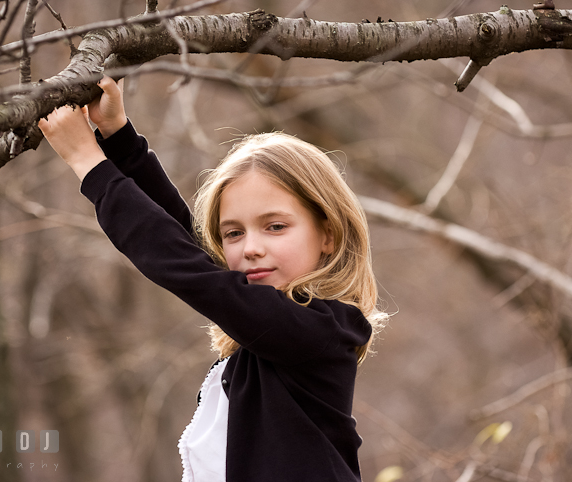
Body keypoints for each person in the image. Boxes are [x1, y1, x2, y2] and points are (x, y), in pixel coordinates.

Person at [39, 76, 387, 482]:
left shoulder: (321, 332)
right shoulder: (265, 338)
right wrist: (117, 137)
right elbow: (187, 242)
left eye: (275, 226)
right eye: (233, 233)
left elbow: (187, 266)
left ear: (328, 233)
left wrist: (90, 164)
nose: (250, 248)